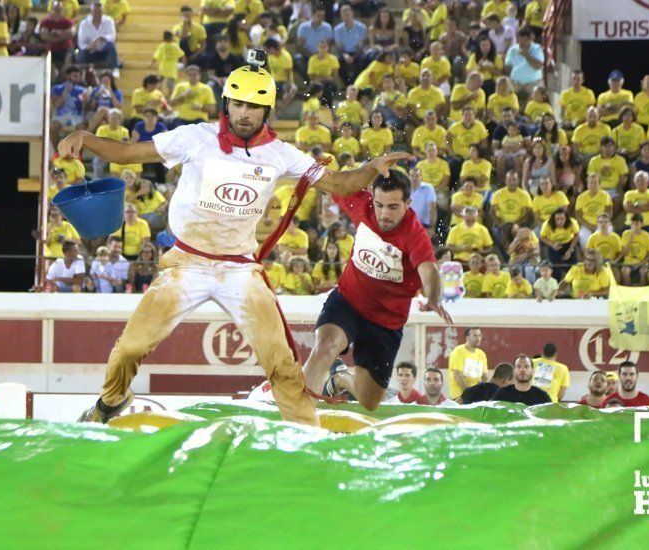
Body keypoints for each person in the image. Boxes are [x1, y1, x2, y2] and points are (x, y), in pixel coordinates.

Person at [60, 54, 410, 426]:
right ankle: (110, 403)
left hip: (239, 270)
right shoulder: (196, 137)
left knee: (280, 361)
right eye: (238, 104)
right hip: (186, 264)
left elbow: (338, 183)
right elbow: (129, 153)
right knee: (130, 348)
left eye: (254, 107)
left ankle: (306, 433)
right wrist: (86, 138)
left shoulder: (281, 153)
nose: (244, 113)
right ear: (227, 103)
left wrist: (371, 169)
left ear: (267, 110)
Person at [304, 170, 451, 411]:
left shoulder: (414, 234)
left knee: (369, 400)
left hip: (386, 322)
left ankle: (340, 377)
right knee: (324, 347)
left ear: (407, 203)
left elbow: (429, 271)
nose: (384, 214)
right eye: (380, 205)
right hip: (347, 302)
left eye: (393, 207)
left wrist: (434, 298)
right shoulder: (361, 204)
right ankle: (301, 421)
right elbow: (332, 182)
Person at [447, 327, 487, 401]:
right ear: (467, 337)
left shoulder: (481, 354)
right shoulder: (458, 351)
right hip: (459, 396)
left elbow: (484, 377)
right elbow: (458, 376)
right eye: (475, 336)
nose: (478, 338)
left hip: (475, 397)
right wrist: (470, 393)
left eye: (479, 335)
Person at [503, 26, 543, 99]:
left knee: (538, 89)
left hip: (533, 81)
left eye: (524, 40)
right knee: (504, 84)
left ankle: (529, 108)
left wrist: (526, 55)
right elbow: (507, 68)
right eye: (520, 40)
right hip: (516, 82)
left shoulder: (537, 48)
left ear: (529, 40)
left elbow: (538, 66)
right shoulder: (513, 50)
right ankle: (510, 107)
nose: (521, 43)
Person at [76, 2, 118, 68]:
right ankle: (82, 73)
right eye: (95, 11)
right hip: (90, 50)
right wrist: (89, 47)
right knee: (81, 53)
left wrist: (101, 38)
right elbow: (81, 43)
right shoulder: (84, 24)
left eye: (99, 11)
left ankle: (114, 69)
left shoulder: (109, 21)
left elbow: (112, 37)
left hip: (104, 50)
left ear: (103, 12)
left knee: (111, 46)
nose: (97, 14)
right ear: (91, 12)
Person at [407, 167, 437, 235]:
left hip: (424, 225)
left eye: (417, 176)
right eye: (412, 176)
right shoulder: (404, 189)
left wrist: (431, 227)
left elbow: (433, 208)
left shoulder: (428, 188)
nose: (414, 178)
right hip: (407, 225)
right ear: (408, 177)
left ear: (421, 177)